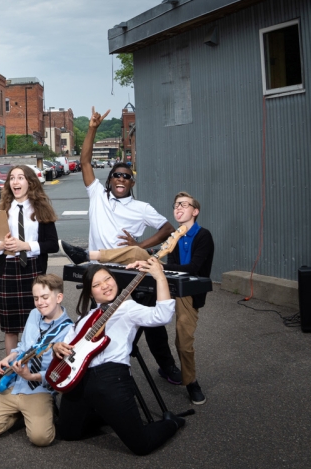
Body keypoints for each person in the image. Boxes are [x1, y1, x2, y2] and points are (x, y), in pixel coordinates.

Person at [63, 106, 181, 385]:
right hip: (101, 273)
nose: (121, 179)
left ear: (132, 181)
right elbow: (86, 161)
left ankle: (167, 366)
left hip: (129, 268)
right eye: (117, 175)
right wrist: (91, 127)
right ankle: (94, 372)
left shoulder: (141, 208)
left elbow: (167, 229)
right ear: (110, 179)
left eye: (126, 176)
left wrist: (141, 244)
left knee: (150, 321)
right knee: (98, 326)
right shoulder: (97, 196)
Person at [53, 260, 185, 456]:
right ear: (90, 293)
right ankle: (107, 414)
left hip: (110, 378)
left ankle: (171, 422)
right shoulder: (84, 318)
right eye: (97, 285)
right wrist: (57, 346)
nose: (105, 285)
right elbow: (68, 343)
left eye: (108, 279)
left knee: (141, 445)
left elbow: (163, 315)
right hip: (78, 380)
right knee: (68, 433)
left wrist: (159, 277)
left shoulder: (128, 308)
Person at [127, 192, 214, 405]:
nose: (178, 208)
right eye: (176, 205)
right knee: (143, 320)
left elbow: (193, 268)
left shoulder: (203, 236)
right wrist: (152, 264)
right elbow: (169, 266)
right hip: (168, 285)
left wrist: (161, 266)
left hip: (189, 291)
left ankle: (191, 381)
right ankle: (90, 256)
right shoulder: (174, 235)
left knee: (183, 342)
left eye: (184, 205)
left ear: (195, 211)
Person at [0, 274, 73, 447]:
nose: (40, 303)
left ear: (59, 297)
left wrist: (31, 376)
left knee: (41, 439)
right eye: (36, 298)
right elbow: (23, 347)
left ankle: (36, 410)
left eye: (45, 297)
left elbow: (61, 372)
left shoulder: (69, 330)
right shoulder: (33, 314)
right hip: (14, 383)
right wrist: (7, 359)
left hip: (38, 388)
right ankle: (22, 413)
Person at [0, 165, 59, 355]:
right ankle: (11, 372)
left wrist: (26, 246)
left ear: (30, 182)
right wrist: (0, 246)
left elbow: (52, 245)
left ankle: (32, 369)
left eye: (21, 178)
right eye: (12, 178)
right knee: (11, 327)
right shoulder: (2, 210)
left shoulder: (41, 210)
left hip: (33, 270)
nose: (15, 182)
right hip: (8, 270)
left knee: (34, 323)